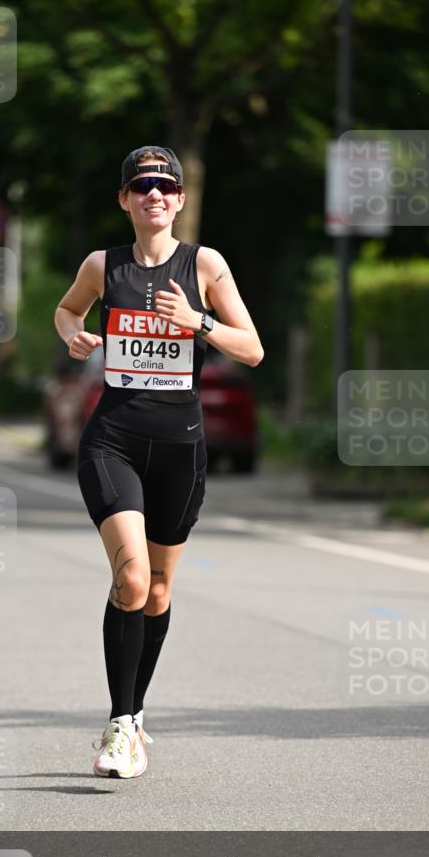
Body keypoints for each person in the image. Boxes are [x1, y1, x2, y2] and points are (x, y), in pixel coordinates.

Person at [54, 146, 263, 778]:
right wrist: (73, 335)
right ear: (124, 199)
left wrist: (196, 321)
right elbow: (67, 310)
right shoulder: (103, 265)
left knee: (162, 590)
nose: (155, 196)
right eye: (142, 186)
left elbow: (250, 348)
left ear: (178, 200)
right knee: (135, 581)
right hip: (113, 438)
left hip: (180, 446)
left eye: (166, 187)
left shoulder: (204, 265)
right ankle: (118, 728)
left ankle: (136, 714)